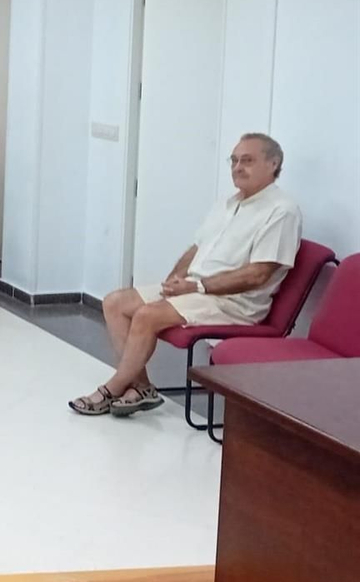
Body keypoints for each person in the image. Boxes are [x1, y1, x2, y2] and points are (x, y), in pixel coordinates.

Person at [72, 134, 302, 418]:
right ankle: (142, 388)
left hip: (233, 302)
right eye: (234, 160)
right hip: (197, 289)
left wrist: (197, 286)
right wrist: (172, 281)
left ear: (273, 164)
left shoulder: (282, 211)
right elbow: (197, 248)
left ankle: (113, 388)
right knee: (115, 302)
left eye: (248, 160)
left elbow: (258, 275)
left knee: (147, 315)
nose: (238, 167)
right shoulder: (228, 203)